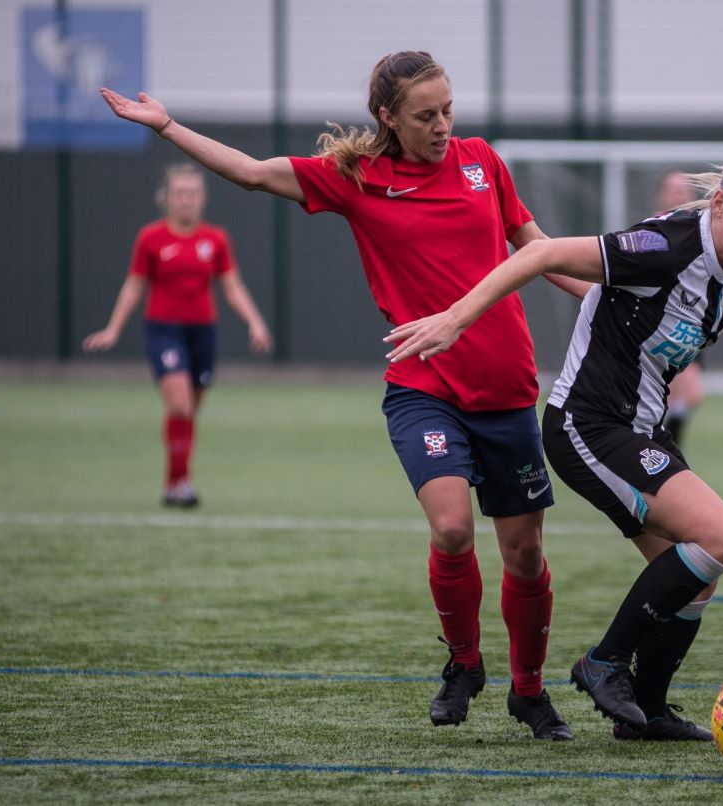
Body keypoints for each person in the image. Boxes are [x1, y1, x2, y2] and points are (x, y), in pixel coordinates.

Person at [100, 51, 584, 740]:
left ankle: (530, 692)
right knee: (450, 528)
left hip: (506, 388)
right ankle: (466, 662)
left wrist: (612, 298)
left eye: (449, 109)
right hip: (424, 388)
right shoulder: (358, 178)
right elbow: (249, 173)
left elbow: (540, 249)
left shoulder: (483, 162)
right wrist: (167, 125)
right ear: (387, 117)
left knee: (525, 555)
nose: (444, 124)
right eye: (426, 115)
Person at [386, 140, 723, 742]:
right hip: (588, 424)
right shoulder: (665, 246)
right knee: (721, 535)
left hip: (636, 427)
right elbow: (541, 253)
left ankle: (646, 713)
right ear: (721, 203)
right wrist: (456, 318)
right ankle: (603, 662)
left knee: (696, 576)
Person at [83, 163, 273, 507]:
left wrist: (254, 322)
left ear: (203, 198)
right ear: (166, 198)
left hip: (203, 332)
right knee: (180, 405)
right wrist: (113, 328)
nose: (187, 200)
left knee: (189, 411)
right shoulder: (151, 238)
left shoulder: (215, 239)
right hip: (163, 330)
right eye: (180, 194)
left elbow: (231, 287)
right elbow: (134, 286)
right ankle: (177, 485)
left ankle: (178, 480)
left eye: (193, 194)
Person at [654, 171, 705, 447]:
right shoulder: (652, 229)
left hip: (692, 323)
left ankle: (665, 446)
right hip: (659, 324)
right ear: (662, 194)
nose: (677, 194)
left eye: (683, 190)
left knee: (690, 395)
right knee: (671, 393)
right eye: (672, 189)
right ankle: (662, 450)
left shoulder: (703, 230)